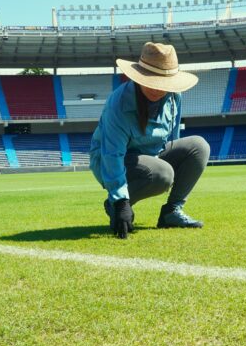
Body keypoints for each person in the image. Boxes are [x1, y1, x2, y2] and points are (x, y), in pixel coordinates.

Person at [89, 42, 210, 239]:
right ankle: (113, 205)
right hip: (110, 160)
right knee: (163, 174)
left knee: (199, 146)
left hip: (152, 154)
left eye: (163, 82)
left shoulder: (174, 97)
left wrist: (176, 164)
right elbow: (112, 154)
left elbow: (173, 137)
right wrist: (121, 202)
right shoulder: (118, 104)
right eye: (152, 81)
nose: (157, 89)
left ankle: (172, 212)